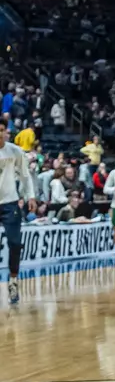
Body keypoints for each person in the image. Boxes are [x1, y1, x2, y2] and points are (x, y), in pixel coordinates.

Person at [0, 124, 36, 305]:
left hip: (9, 202)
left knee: (15, 243)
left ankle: (13, 281)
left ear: (6, 133)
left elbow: (25, 175)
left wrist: (30, 196)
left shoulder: (14, 151)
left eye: (1, 130)